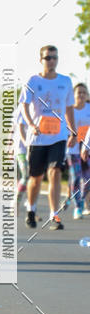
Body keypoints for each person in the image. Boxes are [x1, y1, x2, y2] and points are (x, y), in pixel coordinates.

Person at [21, 45, 75, 230]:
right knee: (36, 178)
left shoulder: (66, 81)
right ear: (41, 60)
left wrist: (73, 131)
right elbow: (24, 105)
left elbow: (68, 109)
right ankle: (31, 209)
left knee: (55, 172)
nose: (51, 60)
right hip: (37, 137)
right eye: (48, 58)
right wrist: (31, 124)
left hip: (58, 136)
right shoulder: (33, 81)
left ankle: (54, 215)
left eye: (54, 57)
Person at [66, 83, 90, 220]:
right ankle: (78, 207)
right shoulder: (69, 110)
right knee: (76, 177)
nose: (81, 94)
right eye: (78, 92)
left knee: (87, 180)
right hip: (73, 149)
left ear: (87, 95)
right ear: (73, 95)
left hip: (87, 149)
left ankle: (80, 201)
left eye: (83, 92)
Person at [13, 104, 29, 214]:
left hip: (36, 146)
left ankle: (31, 208)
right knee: (26, 175)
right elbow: (14, 130)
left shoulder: (40, 106)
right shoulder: (20, 109)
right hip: (22, 148)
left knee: (34, 178)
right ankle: (16, 202)